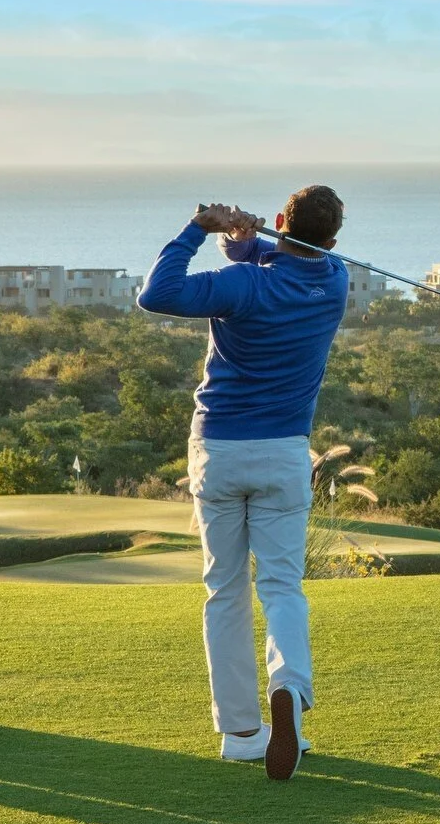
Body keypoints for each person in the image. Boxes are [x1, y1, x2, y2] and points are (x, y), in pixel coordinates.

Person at [135, 184, 348, 780]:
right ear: (332, 240)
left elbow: (157, 294)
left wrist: (199, 228)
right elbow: (282, 267)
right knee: (281, 587)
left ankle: (242, 732)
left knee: (224, 589)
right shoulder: (334, 281)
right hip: (284, 453)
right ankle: (290, 687)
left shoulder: (247, 285)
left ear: (283, 221)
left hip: (221, 450)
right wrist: (248, 244)